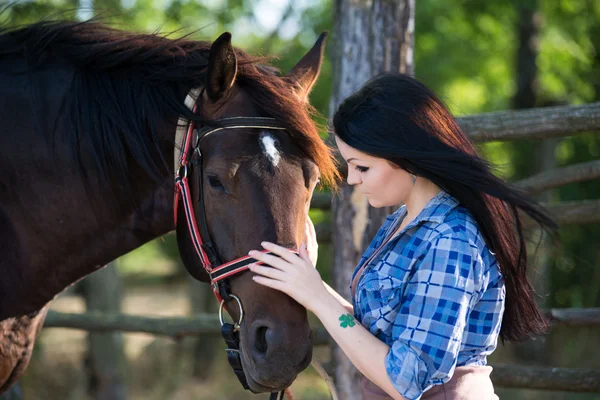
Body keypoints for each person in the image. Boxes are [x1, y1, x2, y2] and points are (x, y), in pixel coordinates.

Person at [247, 73, 556, 400]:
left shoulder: (450, 240)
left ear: (407, 159)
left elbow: (405, 380)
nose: (351, 179)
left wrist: (318, 298)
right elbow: (380, 336)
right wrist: (307, 280)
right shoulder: (405, 221)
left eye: (361, 167)